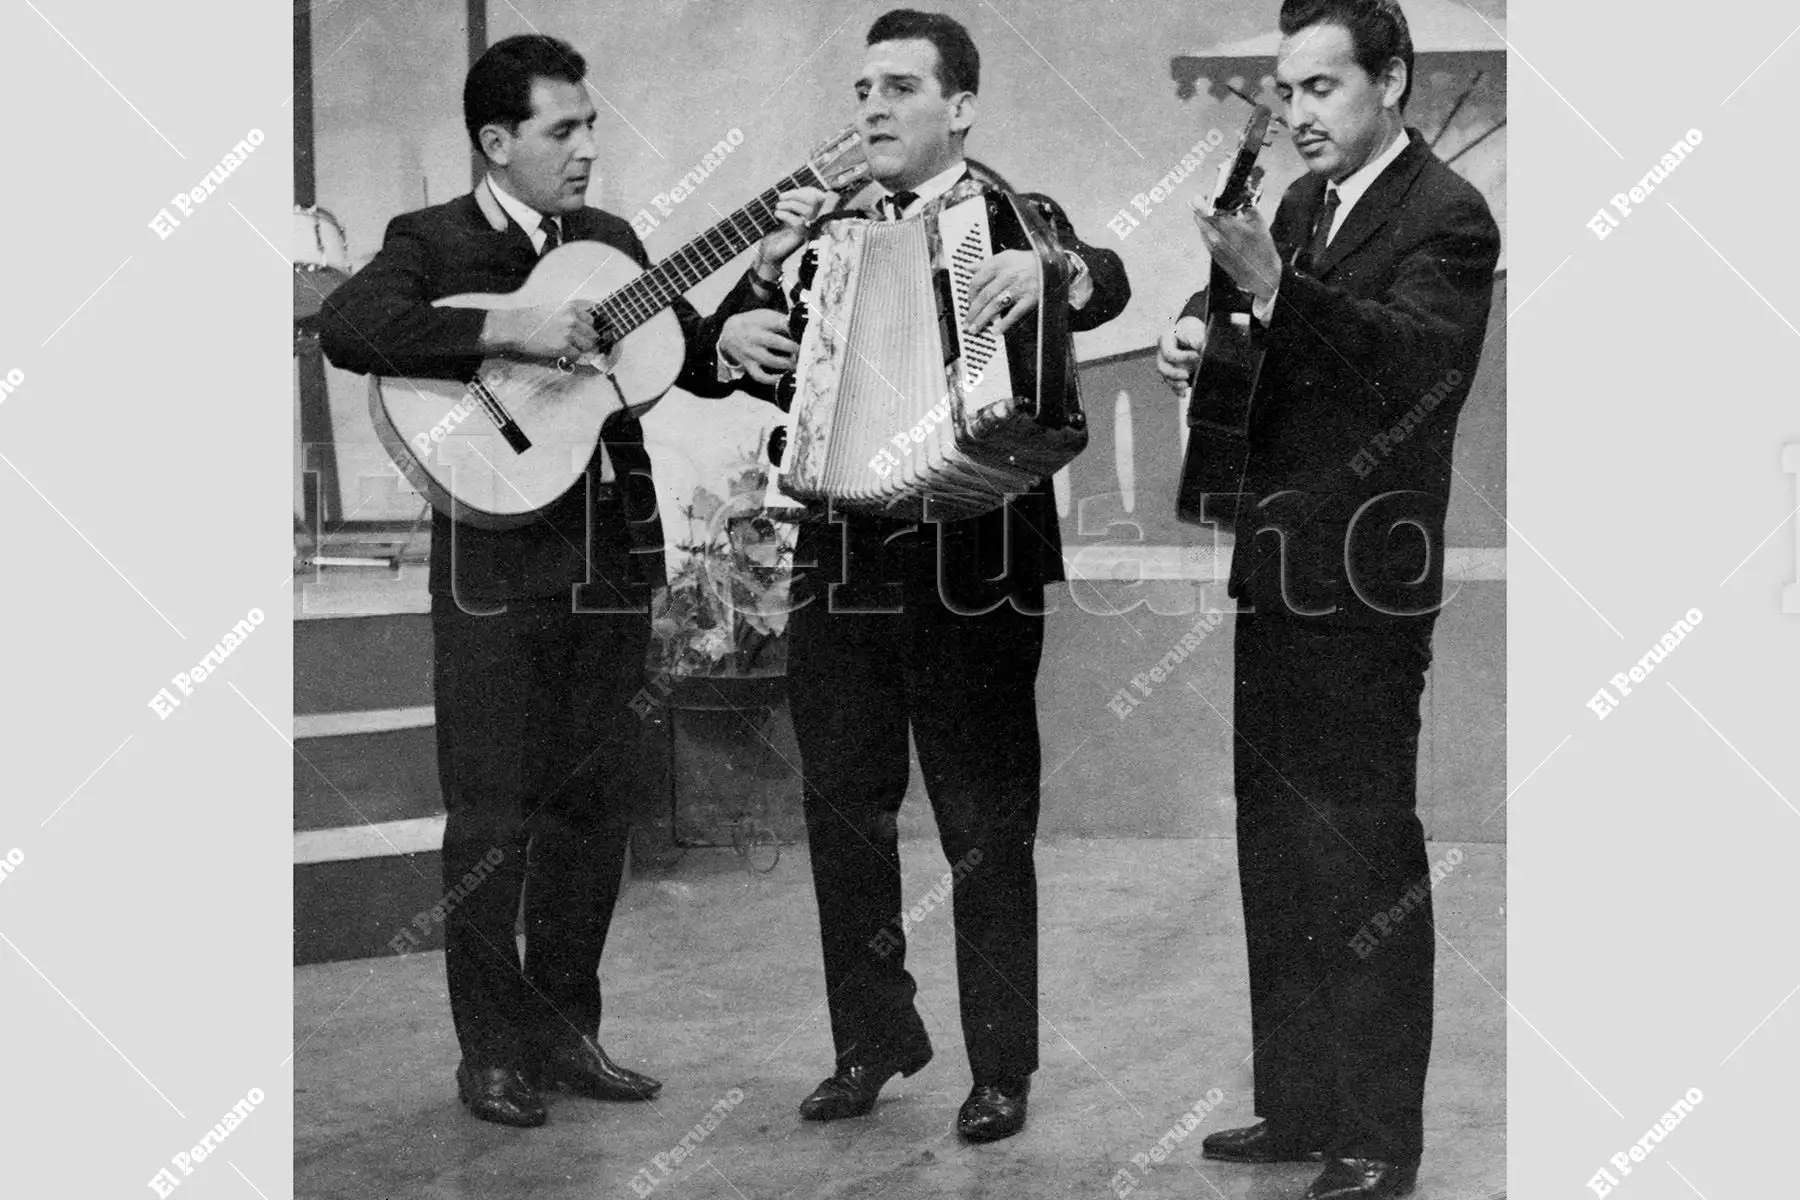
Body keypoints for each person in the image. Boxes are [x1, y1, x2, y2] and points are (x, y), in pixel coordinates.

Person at [690, 8, 1129, 1145]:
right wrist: (742, 316)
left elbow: (1108, 278)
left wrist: (1056, 272)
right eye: (862, 89)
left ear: (960, 108)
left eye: (898, 88)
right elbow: (750, 363)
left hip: (975, 556)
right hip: (844, 554)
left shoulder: (1013, 215)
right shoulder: (827, 234)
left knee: (984, 819)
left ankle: (1001, 1067)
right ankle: (873, 1038)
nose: (872, 108)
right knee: (843, 808)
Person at [318, 33, 750, 1129]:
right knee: (491, 817)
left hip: (611, 559)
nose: (588, 147)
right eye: (564, 130)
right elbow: (351, 327)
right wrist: (510, 327)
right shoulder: (431, 239)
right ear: (497, 141)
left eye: (592, 125)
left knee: (592, 810)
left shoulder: (609, 242)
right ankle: (492, 1054)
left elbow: (683, 353)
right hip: (494, 572)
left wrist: (739, 315)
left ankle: (565, 1034)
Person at [1155, 1, 1499, 1196]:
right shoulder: (1304, 206)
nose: (1296, 113)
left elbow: (1413, 368)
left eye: (1322, 87)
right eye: (1286, 90)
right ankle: (1300, 1108)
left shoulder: (1449, 214)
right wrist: (1197, 329)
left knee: (1360, 857)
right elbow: (1251, 326)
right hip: (1277, 569)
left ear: (1390, 80)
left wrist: (1275, 291)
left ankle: (1379, 1139)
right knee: (1279, 851)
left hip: (1362, 588)